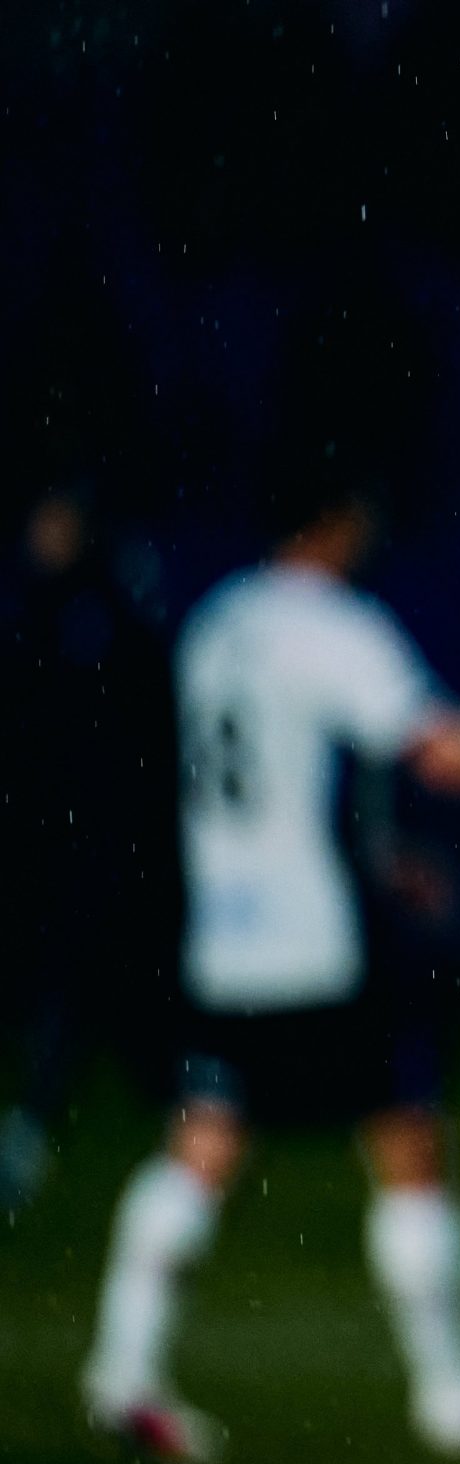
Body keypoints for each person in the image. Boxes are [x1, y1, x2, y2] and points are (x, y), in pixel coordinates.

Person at [81, 468, 460, 1463]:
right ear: (338, 520)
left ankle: (122, 1369)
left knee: (206, 1138)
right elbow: (442, 753)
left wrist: (380, 852)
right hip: (321, 939)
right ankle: (453, 1391)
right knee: (410, 1134)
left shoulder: (219, 622)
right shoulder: (332, 625)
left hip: (227, 934)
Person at [0, 483, 178, 1212]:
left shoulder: (104, 610)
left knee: (100, 983)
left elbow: (136, 717)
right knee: (78, 988)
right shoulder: (39, 611)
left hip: (106, 834)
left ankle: (175, 1129)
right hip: (59, 834)